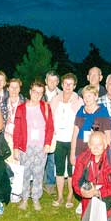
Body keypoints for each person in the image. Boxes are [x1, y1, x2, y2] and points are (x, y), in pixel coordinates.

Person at [12, 80, 54, 211]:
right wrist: (15, 148)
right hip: (26, 146)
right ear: (30, 92)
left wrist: (47, 143)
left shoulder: (46, 107)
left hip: (41, 147)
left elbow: (50, 127)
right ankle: (24, 198)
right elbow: (17, 129)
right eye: (35, 92)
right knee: (25, 173)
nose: (37, 95)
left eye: (40, 93)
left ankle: (36, 198)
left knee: (38, 173)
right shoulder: (21, 108)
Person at [72, 131, 111, 221]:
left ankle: (108, 213)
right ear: (89, 145)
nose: (96, 148)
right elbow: (75, 181)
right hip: (89, 192)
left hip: (108, 194)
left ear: (105, 145)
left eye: (99, 145)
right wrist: (82, 191)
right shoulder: (82, 158)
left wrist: (98, 192)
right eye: (93, 144)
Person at [50, 73, 83, 208]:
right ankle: (59, 196)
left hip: (72, 140)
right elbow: (50, 119)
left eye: (71, 84)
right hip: (58, 139)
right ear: (62, 84)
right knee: (59, 168)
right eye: (65, 83)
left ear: (74, 86)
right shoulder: (55, 100)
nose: (68, 86)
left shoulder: (79, 101)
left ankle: (70, 195)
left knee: (71, 169)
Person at [70, 85, 111, 163]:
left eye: (89, 96)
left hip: (96, 152)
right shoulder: (81, 111)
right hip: (80, 151)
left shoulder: (103, 111)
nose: (87, 99)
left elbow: (108, 135)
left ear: (96, 97)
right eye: (85, 96)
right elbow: (75, 134)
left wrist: (105, 154)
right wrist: (72, 153)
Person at [43, 70, 61, 196]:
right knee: (38, 158)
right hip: (39, 130)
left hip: (54, 131)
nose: (52, 83)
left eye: (55, 81)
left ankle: (50, 183)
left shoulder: (62, 95)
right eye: (50, 80)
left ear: (58, 82)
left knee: (52, 158)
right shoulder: (38, 92)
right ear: (46, 81)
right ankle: (36, 182)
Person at [4, 78, 26, 153]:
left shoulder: (25, 103)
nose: (14, 89)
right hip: (6, 139)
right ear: (8, 88)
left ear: (20, 89)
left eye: (16, 87)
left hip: (20, 139)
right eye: (12, 87)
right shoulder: (2, 104)